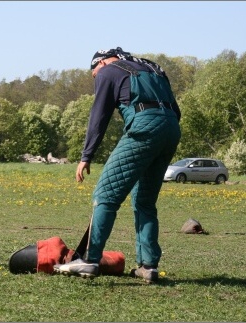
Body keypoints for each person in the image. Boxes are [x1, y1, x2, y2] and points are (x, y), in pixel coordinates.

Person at [53, 47, 181, 283]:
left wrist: (86, 156)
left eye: (93, 75)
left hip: (144, 126)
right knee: (144, 201)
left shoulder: (108, 71)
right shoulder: (153, 68)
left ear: (99, 63)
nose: (95, 80)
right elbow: (175, 109)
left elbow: (99, 114)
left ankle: (89, 260)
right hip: (172, 128)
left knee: (106, 194)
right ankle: (148, 266)